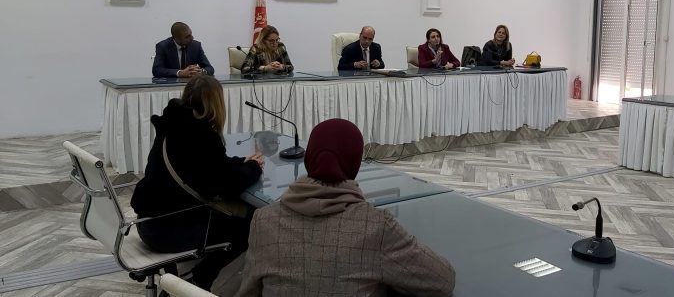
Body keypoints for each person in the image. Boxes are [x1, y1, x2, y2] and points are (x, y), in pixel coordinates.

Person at [237, 119, 456, 297]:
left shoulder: (264, 219)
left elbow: (248, 291)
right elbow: (443, 281)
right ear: (355, 164)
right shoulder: (376, 227)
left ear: (309, 158)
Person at [130, 75, 264, 291]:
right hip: (166, 230)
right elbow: (224, 186)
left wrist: (241, 162)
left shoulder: (173, 125)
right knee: (252, 225)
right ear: (216, 103)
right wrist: (254, 168)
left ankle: (196, 276)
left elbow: (204, 168)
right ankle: (200, 279)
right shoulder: (201, 136)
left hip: (147, 221)